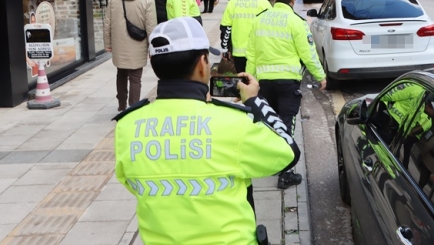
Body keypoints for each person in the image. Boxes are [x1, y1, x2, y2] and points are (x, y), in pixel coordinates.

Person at [113, 17, 300, 245]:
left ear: (153, 62)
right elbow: (289, 152)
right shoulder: (232, 123)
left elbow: (131, 182)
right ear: (202, 63)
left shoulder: (127, 126)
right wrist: (254, 101)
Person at [245, 0, 326, 189]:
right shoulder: (297, 22)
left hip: (264, 82)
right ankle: (286, 172)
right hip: (288, 81)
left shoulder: (259, 20)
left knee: (269, 122)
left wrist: (248, 80)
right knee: (286, 122)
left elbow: (251, 54)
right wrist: (320, 76)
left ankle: (271, 162)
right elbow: (307, 54)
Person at [104, 0, 157, 111]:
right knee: (135, 78)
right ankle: (133, 108)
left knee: (121, 73)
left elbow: (107, 21)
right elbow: (151, 27)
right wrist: (153, 49)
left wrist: (108, 43)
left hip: (119, 43)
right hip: (138, 43)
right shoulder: (147, 0)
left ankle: (121, 105)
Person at [220, 0, 272, 73]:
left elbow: (226, 28)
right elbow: (271, 29)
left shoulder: (232, 2)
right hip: (259, 51)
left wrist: (225, 49)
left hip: (239, 53)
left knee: (243, 80)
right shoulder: (265, 3)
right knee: (256, 81)